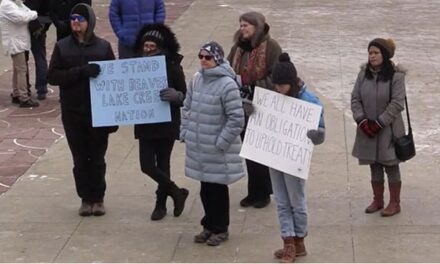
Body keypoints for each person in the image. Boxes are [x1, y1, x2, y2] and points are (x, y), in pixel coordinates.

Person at [47, 3, 118, 217]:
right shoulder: (62, 46)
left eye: (80, 18)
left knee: (97, 158)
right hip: (72, 111)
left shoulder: (103, 47)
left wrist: (113, 114)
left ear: (90, 22)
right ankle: (85, 198)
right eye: (73, 18)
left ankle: (98, 197)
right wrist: (80, 72)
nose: (76, 22)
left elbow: (114, 80)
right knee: (79, 158)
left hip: (98, 112)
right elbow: (52, 76)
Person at [181, 41, 245, 246]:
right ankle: (208, 225)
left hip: (216, 149)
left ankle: (221, 228)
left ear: (217, 59)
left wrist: (221, 143)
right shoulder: (196, 79)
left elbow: (236, 118)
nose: (203, 61)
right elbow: (187, 107)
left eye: (207, 57)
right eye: (200, 56)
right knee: (205, 189)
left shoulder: (227, 84)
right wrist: (185, 132)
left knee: (218, 191)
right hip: (199, 148)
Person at [265, 53, 325, 263]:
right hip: (275, 155)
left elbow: (321, 130)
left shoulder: (308, 100)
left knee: (296, 201)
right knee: (281, 200)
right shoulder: (274, 97)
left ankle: (299, 240)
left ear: (291, 83)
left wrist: (317, 134)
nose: (279, 89)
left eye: (282, 85)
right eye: (276, 85)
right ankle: (287, 241)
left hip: (294, 159)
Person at [133, 23, 189, 221]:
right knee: (146, 165)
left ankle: (160, 204)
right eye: (145, 46)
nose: (148, 50)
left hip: (167, 122)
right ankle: (176, 191)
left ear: (161, 47)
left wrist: (176, 96)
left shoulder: (172, 65)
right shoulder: (136, 66)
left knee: (163, 164)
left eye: (152, 47)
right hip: (145, 122)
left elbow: (185, 94)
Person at [227, 11, 282, 208]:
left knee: (258, 150)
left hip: (262, 104)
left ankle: (262, 193)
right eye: (241, 25)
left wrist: (255, 85)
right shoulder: (238, 47)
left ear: (257, 27)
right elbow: (227, 68)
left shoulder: (271, 47)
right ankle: (255, 191)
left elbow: (279, 75)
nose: (242, 29)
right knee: (248, 150)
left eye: (246, 25)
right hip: (241, 105)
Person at [351, 38, 406, 217]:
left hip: (389, 130)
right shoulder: (363, 74)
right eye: (370, 53)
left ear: (384, 55)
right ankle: (378, 200)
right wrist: (362, 121)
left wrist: (380, 122)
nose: (372, 56)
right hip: (367, 129)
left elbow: (397, 103)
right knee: (374, 164)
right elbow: (355, 99)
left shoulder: (396, 76)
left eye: (376, 53)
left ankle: (395, 202)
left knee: (390, 165)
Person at [0, 0, 39, 108]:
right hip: (15, 43)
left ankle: (17, 93)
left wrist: (30, 13)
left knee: (17, 69)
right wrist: (34, 14)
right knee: (22, 70)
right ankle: (24, 97)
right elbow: (21, 18)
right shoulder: (6, 5)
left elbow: (26, 10)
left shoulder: (16, 3)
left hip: (19, 41)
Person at [24, 0, 52, 100]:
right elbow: (50, 9)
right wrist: (44, 28)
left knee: (23, 60)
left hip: (24, 26)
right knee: (40, 58)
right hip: (39, 26)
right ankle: (42, 89)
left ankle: (25, 88)